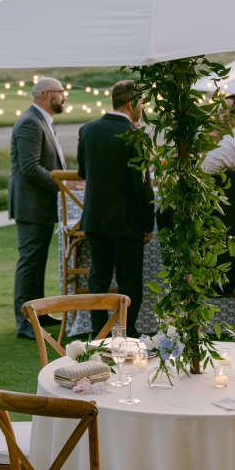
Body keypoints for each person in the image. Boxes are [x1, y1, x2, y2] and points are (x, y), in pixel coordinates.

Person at [77, 79, 154, 338]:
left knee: (98, 278)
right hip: (127, 220)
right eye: (142, 103)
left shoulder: (87, 130)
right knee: (129, 281)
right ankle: (126, 333)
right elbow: (142, 186)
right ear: (131, 103)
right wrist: (148, 223)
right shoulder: (136, 135)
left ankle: (99, 334)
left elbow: (83, 172)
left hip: (95, 218)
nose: (143, 108)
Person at [8, 77, 67, 338]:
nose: (64, 97)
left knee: (38, 262)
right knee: (30, 263)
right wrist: (63, 186)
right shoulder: (30, 122)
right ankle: (25, 324)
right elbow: (30, 168)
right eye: (61, 92)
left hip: (40, 205)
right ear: (47, 94)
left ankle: (39, 314)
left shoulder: (42, 120)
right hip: (31, 205)